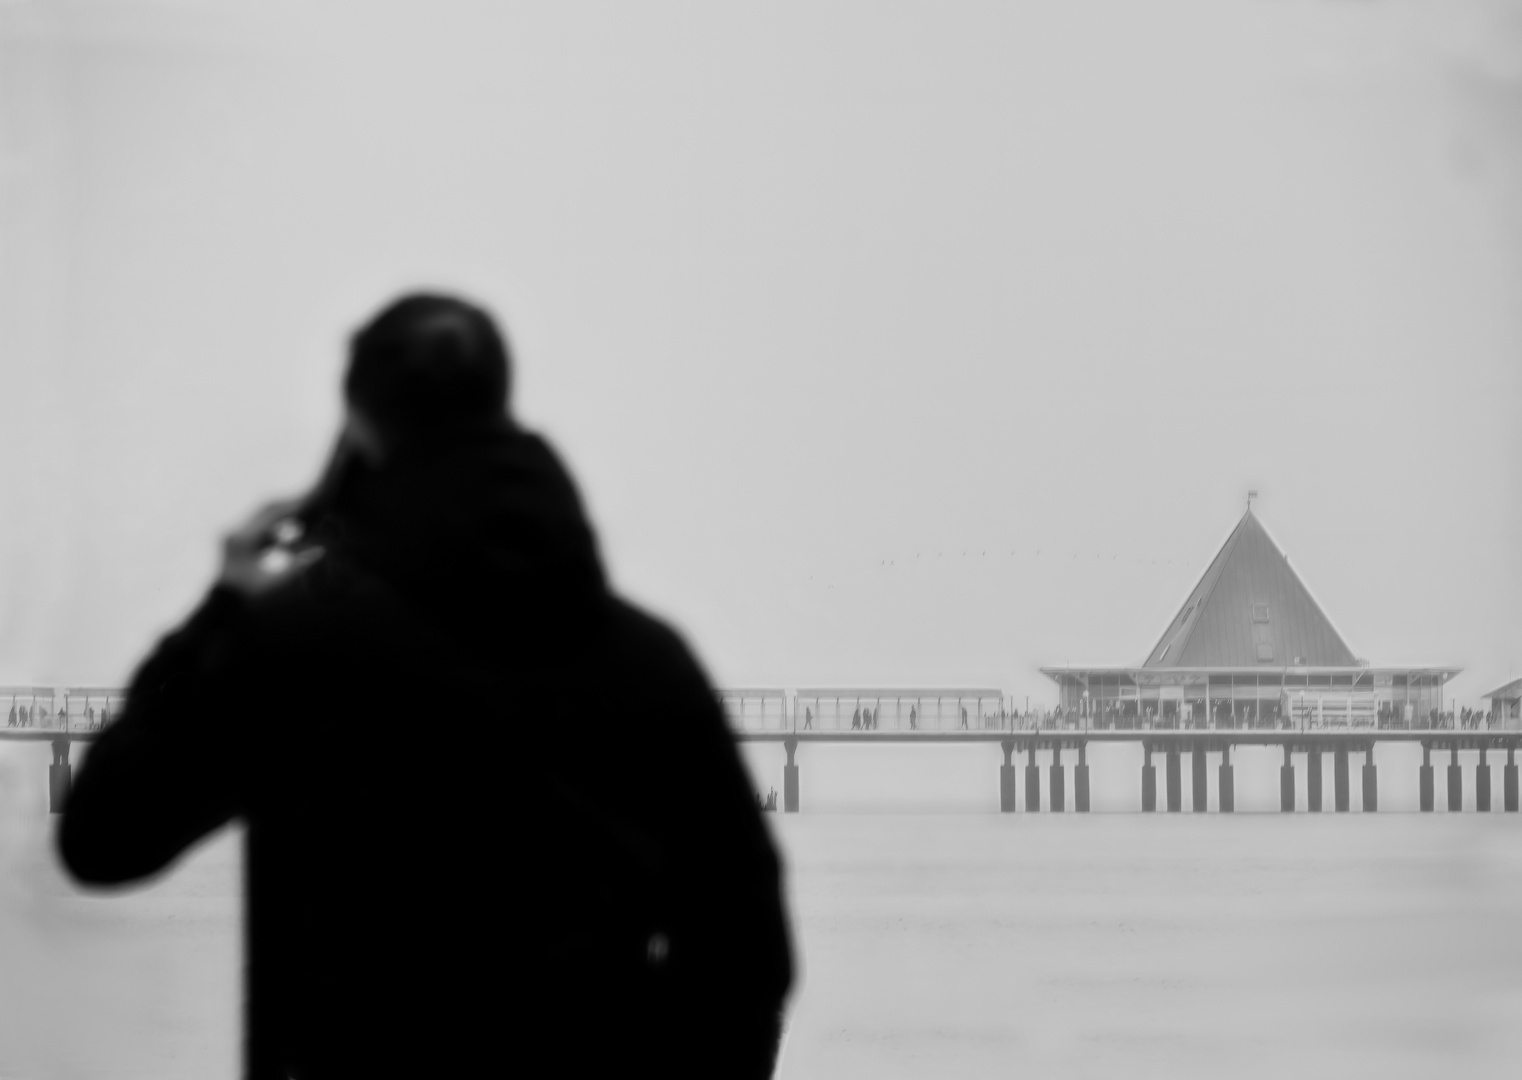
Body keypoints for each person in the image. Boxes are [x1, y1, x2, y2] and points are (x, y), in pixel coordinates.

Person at [57, 292, 793, 1079]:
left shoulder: (295, 648)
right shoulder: (646, 659)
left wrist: (222, 609)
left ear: (361, 426)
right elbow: (746, 954)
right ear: (501, 404)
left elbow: (105, 837)